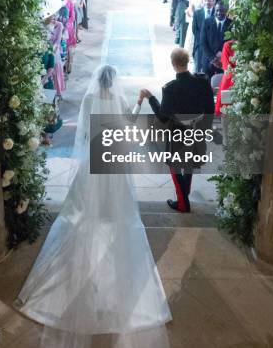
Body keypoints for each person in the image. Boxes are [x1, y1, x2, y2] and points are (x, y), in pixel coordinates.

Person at [16, 66, 172, 348]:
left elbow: (86, 134)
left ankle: (94, 218)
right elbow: (129, 123)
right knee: (119, 207)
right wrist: (137, 101)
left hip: (95, 157)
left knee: (82, 206)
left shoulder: (89, 101)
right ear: (114, 83)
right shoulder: (118, 99)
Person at [140, 48, 214, 213]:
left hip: (178, 132)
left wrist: (151, 99)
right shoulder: (203, 81)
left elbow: (163, 117)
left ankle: (182, 203)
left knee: (174, 166)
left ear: (173, 64)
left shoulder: (170, 88)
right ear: (187, 62)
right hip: (197, 130)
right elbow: (210, 108)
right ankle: (185, 195)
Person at [199, 3, 232, 77]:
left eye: (222, 11)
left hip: (224, 61)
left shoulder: (231, 24)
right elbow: (203, 43)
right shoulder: (207, 22)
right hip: (208, 59)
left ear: (226, 11)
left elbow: (232, 43)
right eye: (217, 10)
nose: (219, 13)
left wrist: (222, 54)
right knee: (207, 85)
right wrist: (213, 58)